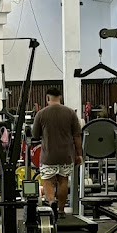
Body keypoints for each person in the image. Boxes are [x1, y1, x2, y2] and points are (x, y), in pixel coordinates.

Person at [30, 88, 82, 217]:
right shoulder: (70, 113)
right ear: (60, 97)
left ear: (47, 98)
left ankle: (52, 201)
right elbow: (77, 136)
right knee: (63, 181)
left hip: (48, 155)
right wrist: (79, 154)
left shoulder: (41, 114)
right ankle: (61, 210)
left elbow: (35, 135)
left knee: (47, 180)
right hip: (66, 155)